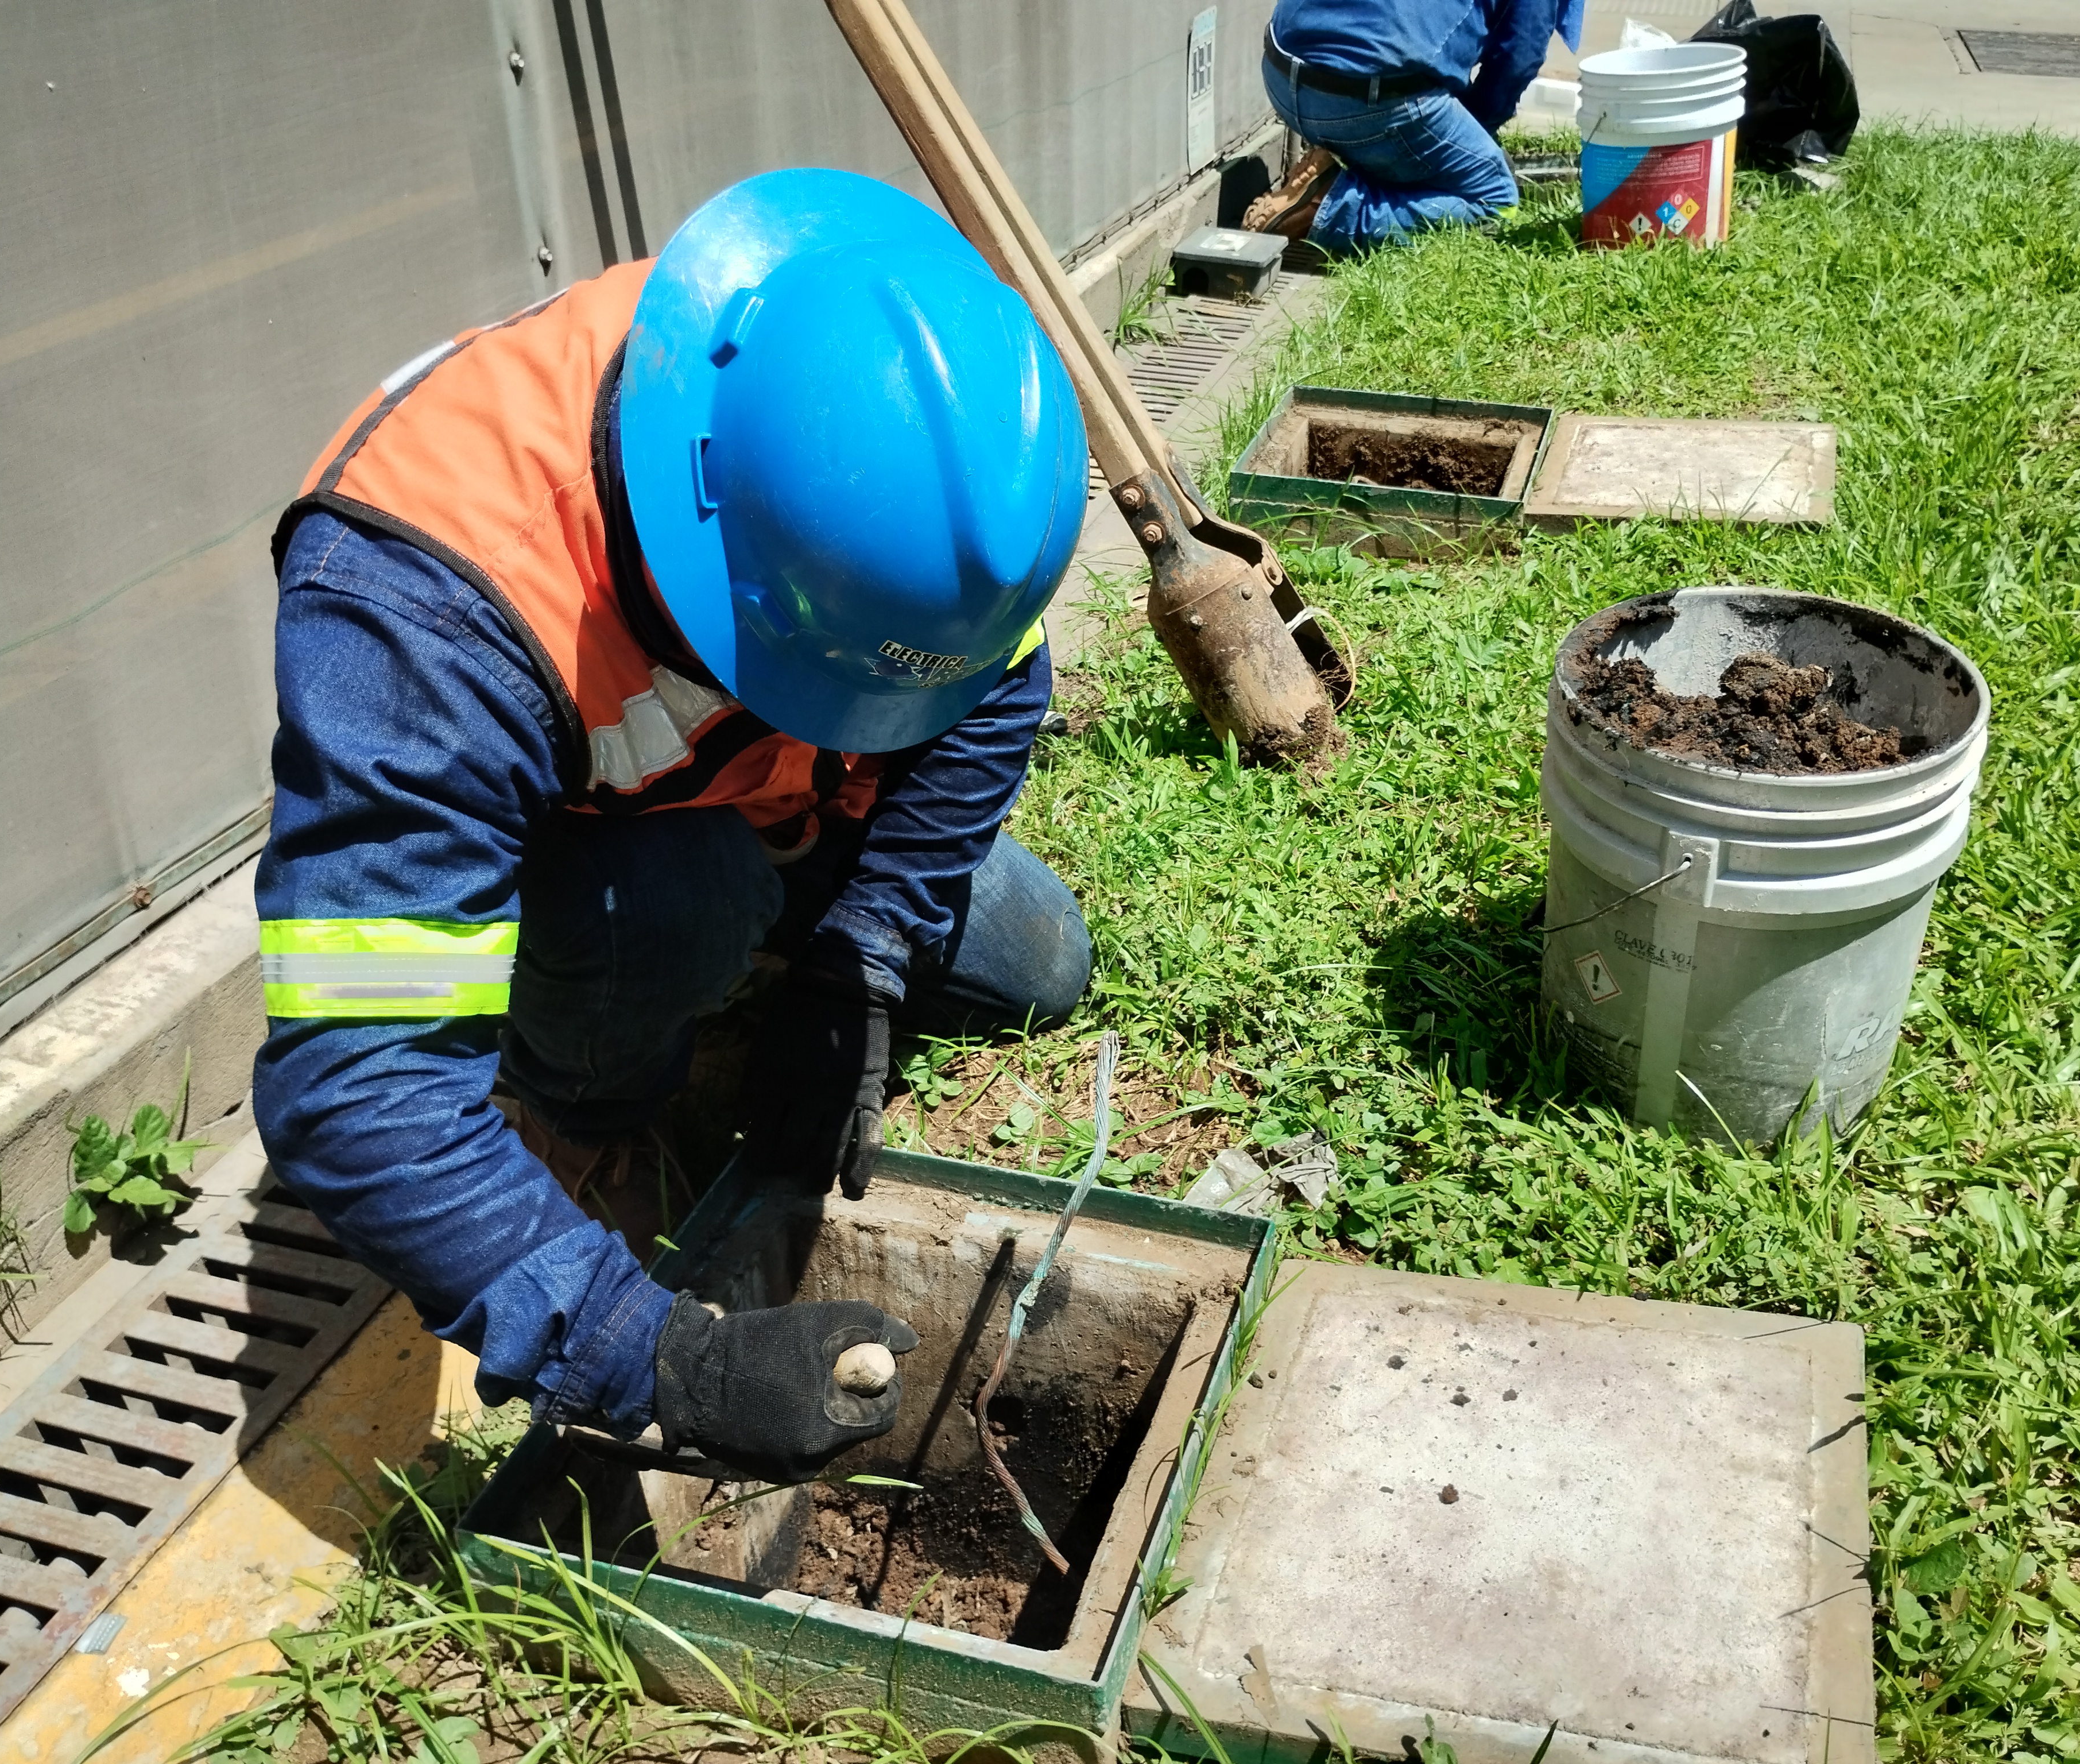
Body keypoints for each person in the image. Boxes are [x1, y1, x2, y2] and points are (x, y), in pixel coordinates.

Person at [252, 169, 1090, 1483]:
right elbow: (361, 1085)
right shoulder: (415, 602)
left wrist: (864, 946)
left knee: (1043, 962)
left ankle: (778, 955)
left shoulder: (907, 416)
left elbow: (999, 688)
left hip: (785, 803)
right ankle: (588, 1103)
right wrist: (657, 1362)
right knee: (667, 901)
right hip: (622, 855)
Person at [1246, 0, 1586, 253]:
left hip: (1279, 72)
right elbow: (1518, 57)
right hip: (1367, 104)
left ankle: (1348, 158)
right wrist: (1477, 131)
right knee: (1497, 202)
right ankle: (1325, 207)